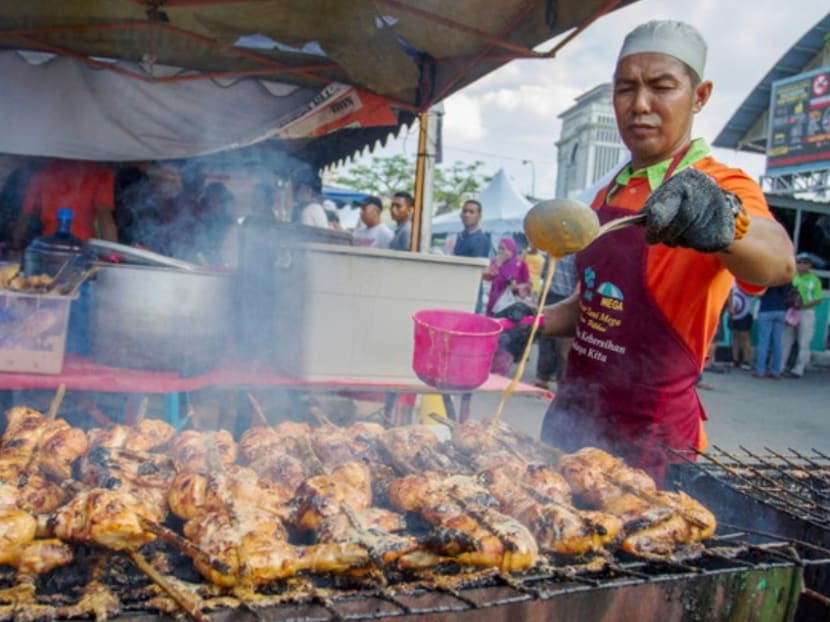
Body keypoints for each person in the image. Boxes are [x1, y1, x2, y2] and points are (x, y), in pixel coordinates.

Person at [538, 20, 795, 483]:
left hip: (652, 447)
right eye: (625, 89)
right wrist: (527, 322)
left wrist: (722, 221)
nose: (640, 105)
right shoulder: (606, 195)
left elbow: (779, 260)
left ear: (699, 97)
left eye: (661, 87)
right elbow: (597, 304)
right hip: (572, 423)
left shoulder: (722, 186)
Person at [11, 159, 118, 250]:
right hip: (81, 247)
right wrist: (114, 256)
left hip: (49, 246)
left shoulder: (46, 170)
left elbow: (24, 218)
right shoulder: (100, 172)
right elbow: (105, 218)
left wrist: (15, 246)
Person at [535, 253, 577, 389]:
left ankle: (559, 381)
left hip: (566, 299)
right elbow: (545, 275)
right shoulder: (553, 252)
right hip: (552, 296)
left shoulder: (574, 254)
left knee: (563, 345)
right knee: (546, 339)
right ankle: (543, 377)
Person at [782, 253, 825, 378]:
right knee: (785, 339)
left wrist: (802, 305)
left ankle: (798, 369)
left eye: (805, 263)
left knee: (803, 342)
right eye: (800, 262)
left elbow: (818, 299)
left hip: (806, 312)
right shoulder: (793, 277)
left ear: (810, 265)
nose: (802, 265)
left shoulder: (814, 280)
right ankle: (780, 366)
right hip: (791, 312)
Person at [753, 284, 791, 380]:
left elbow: (759, 294)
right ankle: (775, 371)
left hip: (766, 309)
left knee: (763, 342)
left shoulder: (768, 278)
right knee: (777, 343)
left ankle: (760, 371)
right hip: (781, 310)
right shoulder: (785, 278)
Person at [728, 283, 756, 370]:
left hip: (745, 312)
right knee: (735, 335)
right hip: (734, 311)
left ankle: (746, 361)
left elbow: (752, 293)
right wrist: (730, 306)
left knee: (745, 336)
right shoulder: (731, 279)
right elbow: (729, 291)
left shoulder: (746, 279)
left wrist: (743, 286)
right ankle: (735, 360)